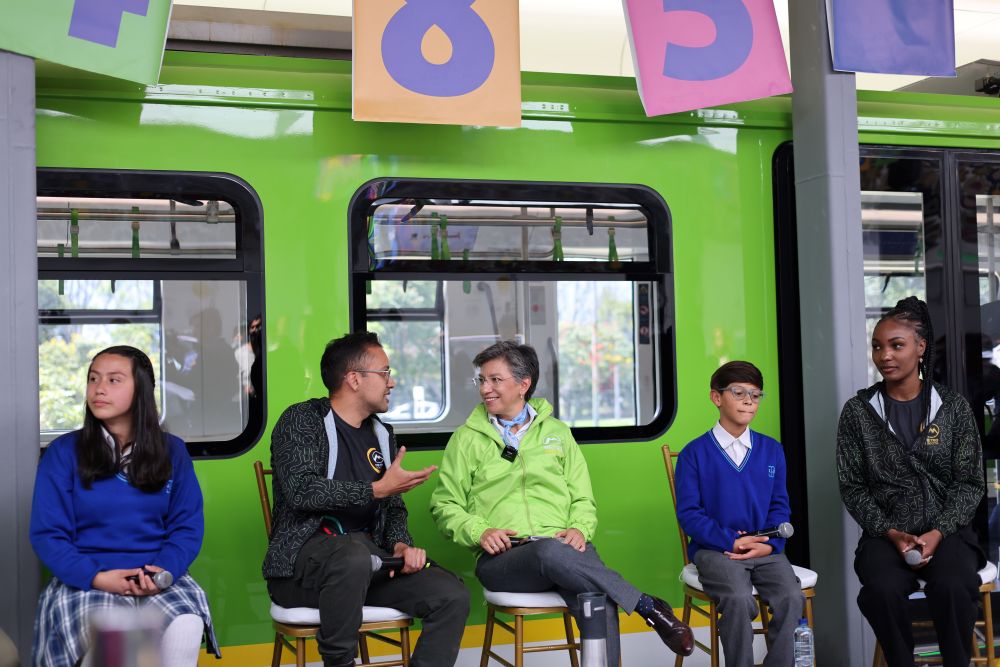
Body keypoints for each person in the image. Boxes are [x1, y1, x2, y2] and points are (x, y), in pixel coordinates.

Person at [430, 340, 694, 665]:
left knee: (597, 599)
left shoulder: (558, 433)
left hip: (565, 550)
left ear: (523, 384)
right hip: (505, 560)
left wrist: (579, 528)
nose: (485, 388)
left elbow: (582, 496)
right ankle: (646, 606)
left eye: (495, 379)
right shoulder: (466, 439)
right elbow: (445, 506)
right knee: (549, 552)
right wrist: (479, 531)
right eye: (481, 380)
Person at [263, 332, 469, 667]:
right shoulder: (301, 420)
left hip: (370, 566)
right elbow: (301, 491)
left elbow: (393, 508)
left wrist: (400, 545)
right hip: (303, 572)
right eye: (385, 372)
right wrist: (375, 490)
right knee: (353, 555)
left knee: (451, 594)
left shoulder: (381, 434)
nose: (392, 382)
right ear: (354, 379)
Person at [30, 345, 217, 667]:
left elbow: (186, 528)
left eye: (113, 380)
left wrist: (161, 572)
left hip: (156, 575)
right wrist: (98, 577)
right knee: (118, 639)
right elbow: (48, 535)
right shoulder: (63, 452)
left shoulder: (173, 451)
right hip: (89, 579)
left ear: (141, 390)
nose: (98, 389)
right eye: (93, 379)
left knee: (187, 625)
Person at [838, 296, 985, 667]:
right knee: (881, 591)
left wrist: (939, 530)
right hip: (884, 535)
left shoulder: (952, 407)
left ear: (920, 348)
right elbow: (853, 487)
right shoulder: (858, 412)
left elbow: (969, 483)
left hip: (948, 533)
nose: (884, 355)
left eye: (896, 345)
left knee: (953, 586)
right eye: (877, 346)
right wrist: (890, 532)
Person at [675, 361, 804, 667]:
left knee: (791, 597)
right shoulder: (694, 453)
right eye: (739, 392)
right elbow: (690, 514)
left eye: (755, 395)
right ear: (716, 397)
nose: (749, 401)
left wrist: (770, 544)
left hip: (764, 549)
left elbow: (780, 506)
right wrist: (731, 541)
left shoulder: (772, 450)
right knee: (737, 598)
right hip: (716, 550)